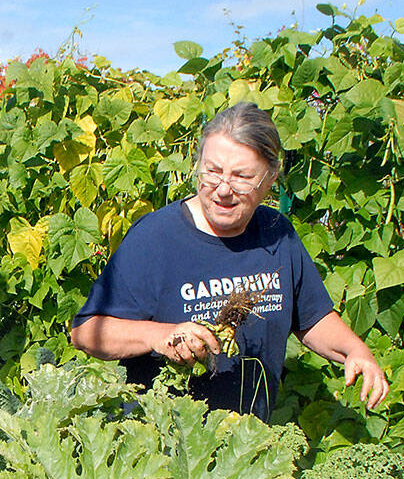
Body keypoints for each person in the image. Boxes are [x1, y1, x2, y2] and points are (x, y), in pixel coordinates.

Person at [70, 102, 387, 421]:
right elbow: (86, 332)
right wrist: (159, 335)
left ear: (270, 177)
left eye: (241, 177)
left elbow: (311, 318)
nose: (223, 189)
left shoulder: (276, 235)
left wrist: (355, 350)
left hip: (245, 451)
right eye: (212, 171)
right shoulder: (154, 238)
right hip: (164, 447)